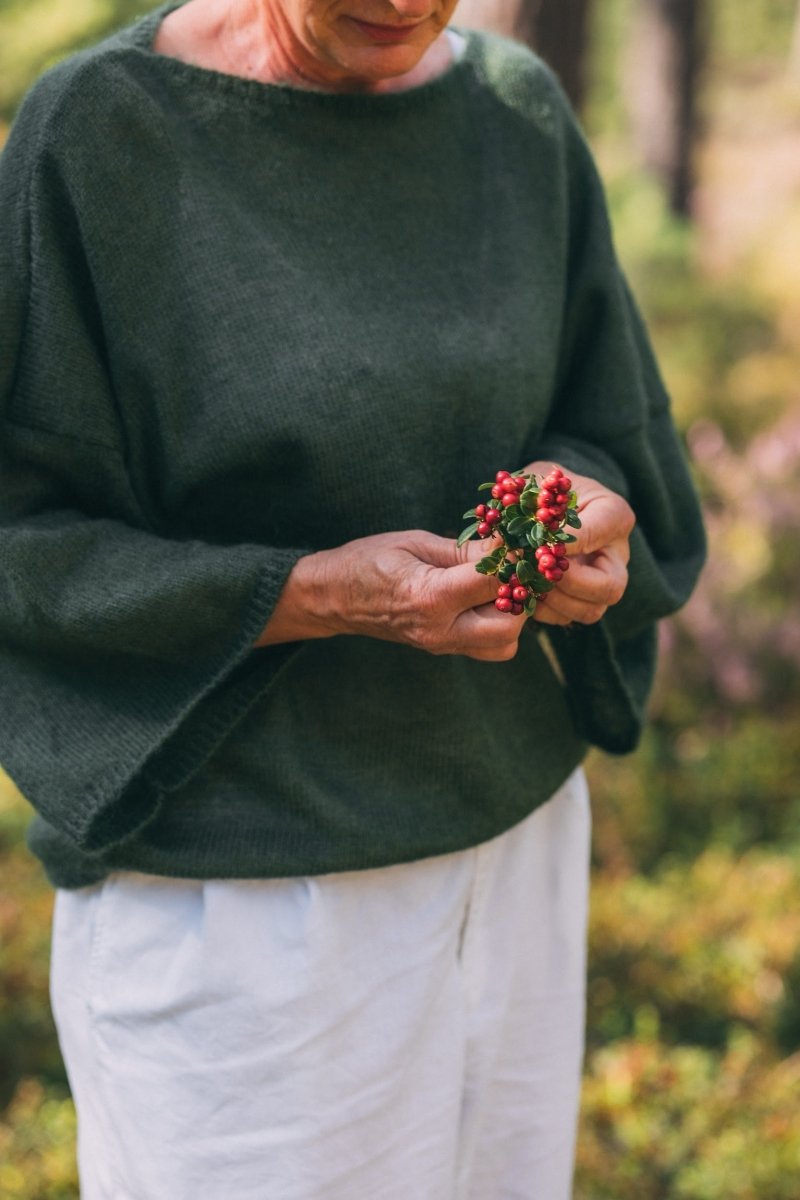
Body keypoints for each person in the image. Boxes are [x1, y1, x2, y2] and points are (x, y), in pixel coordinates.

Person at [0, 1, 706, 1197]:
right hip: (245, 900)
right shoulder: (100, 138)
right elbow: (25, 537)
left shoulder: (512, 113)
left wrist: (579, 501)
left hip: (513, 851)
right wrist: (310, 594)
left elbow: (606, 420)